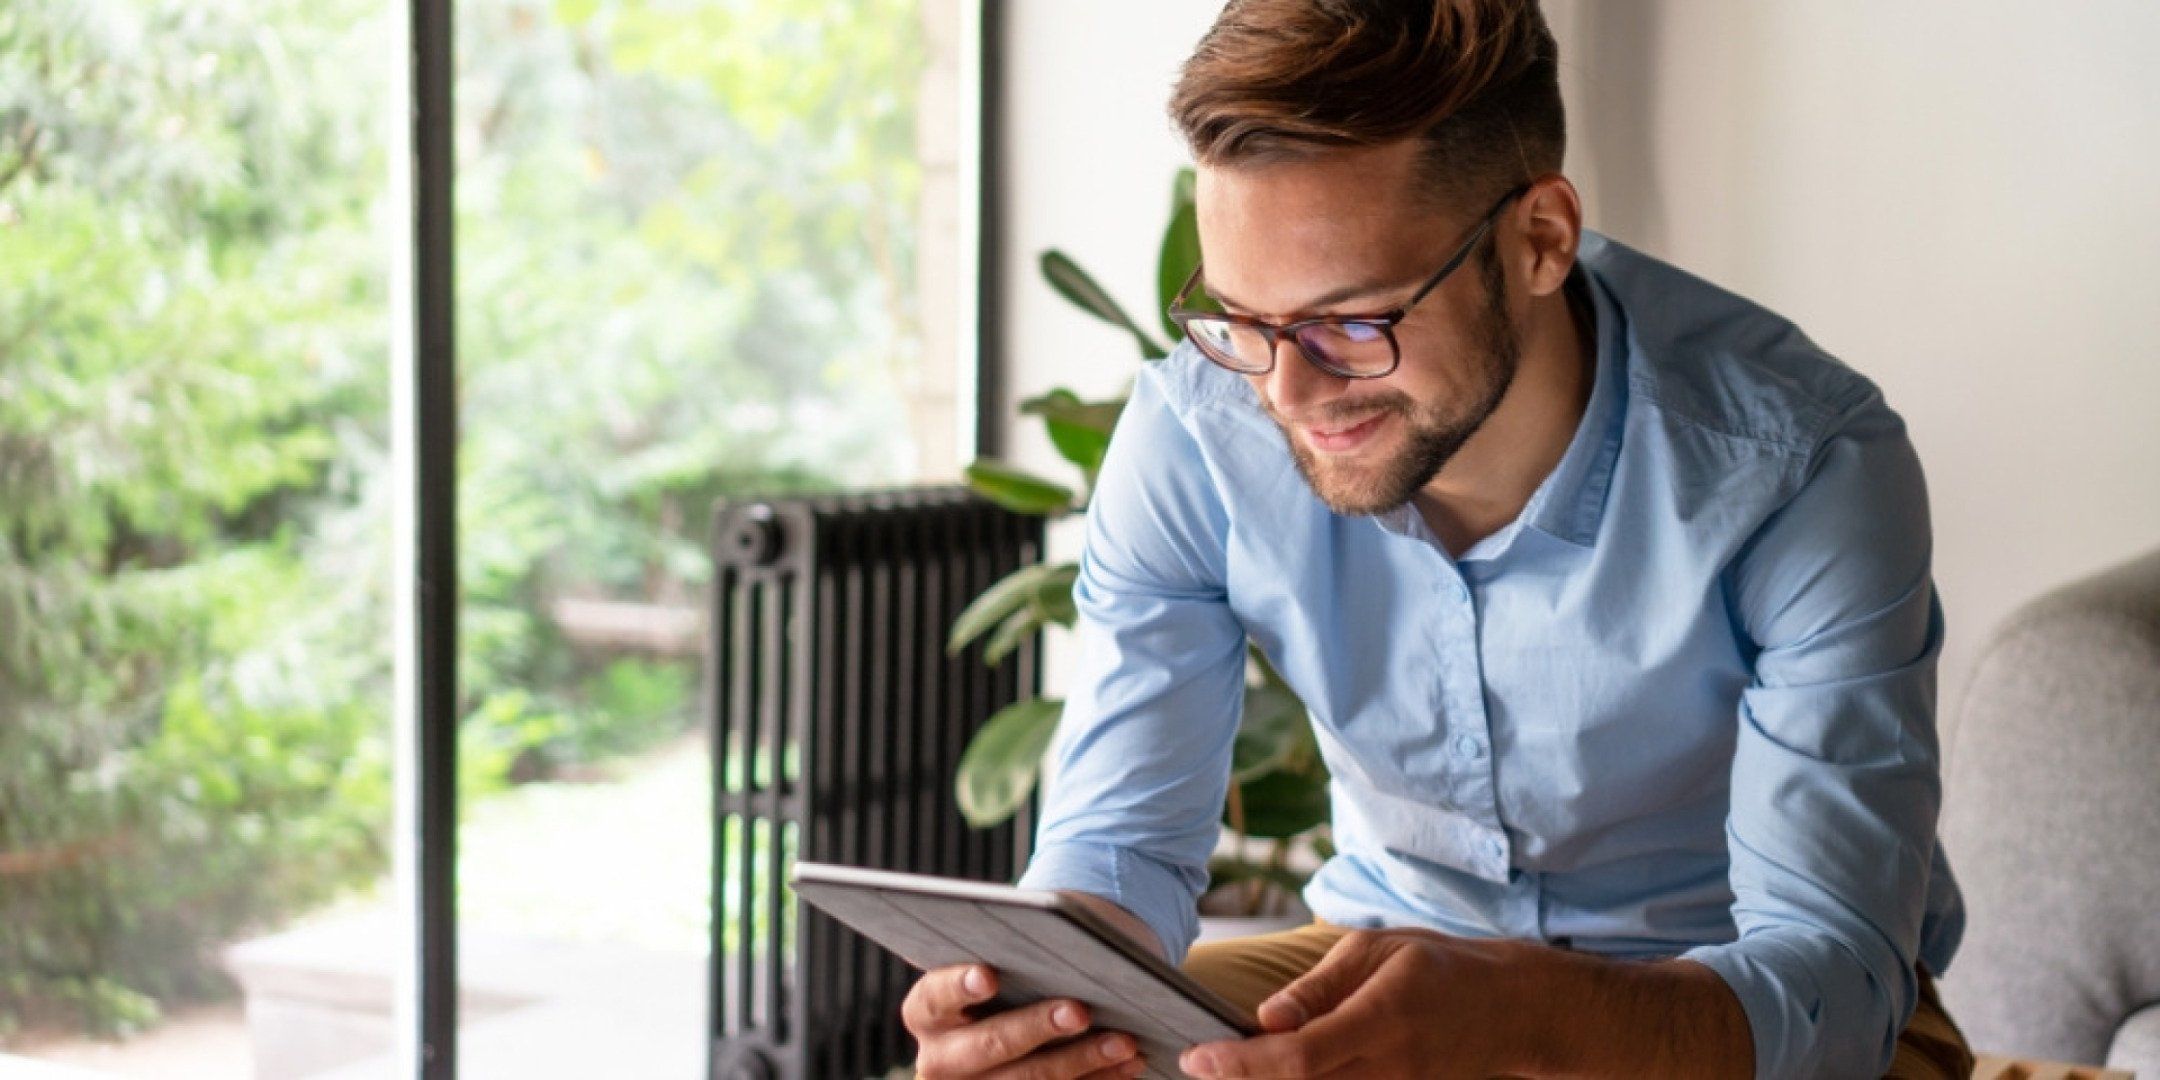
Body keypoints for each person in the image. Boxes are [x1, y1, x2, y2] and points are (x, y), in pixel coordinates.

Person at [902, 1, 1970, 1076]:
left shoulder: (1800, 467)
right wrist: (1039, 1012)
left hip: (1724, 1003)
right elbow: (1119, 854)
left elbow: (1836, 982)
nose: (1287, 391)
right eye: (1241, 318)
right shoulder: (1196, 432)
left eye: (1352, 321)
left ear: (1541, 239)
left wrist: (1530, 1019)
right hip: (1371, 956)